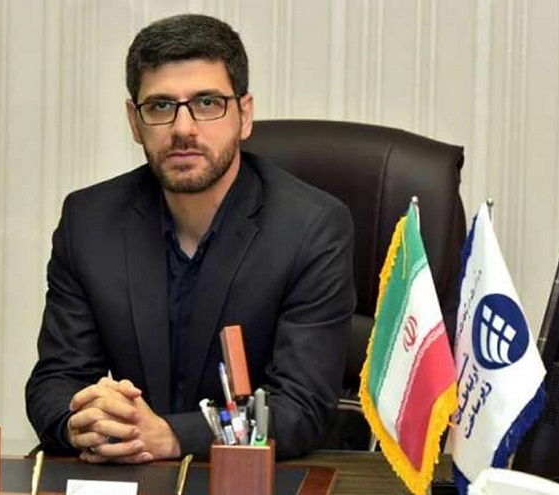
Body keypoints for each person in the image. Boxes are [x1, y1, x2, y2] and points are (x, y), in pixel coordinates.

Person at [25, 13, 356, 464]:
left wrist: (172, 436)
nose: (183, 128)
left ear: (244, 115)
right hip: (127, 475)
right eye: (161, 106)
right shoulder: (89, 221)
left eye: (207, 102)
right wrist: (82, 421)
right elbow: (55, 381)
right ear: (135, 121)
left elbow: (299, 408)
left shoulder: (311, 228)